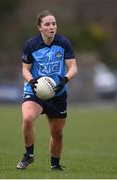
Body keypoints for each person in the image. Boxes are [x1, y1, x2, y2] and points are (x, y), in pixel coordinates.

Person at [16, 10, 77, 171]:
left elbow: (73, 68)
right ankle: (28, 155)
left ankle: (55, 164)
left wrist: (64, 79)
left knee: (58, 133)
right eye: (47, 24)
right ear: (40, 28)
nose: (52, 27)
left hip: (57, 93)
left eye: (54, 23)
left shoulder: (63, 43)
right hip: (35, 90)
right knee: (28, 118)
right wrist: (32, 81)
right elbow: (25, 70)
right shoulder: (31, 45)